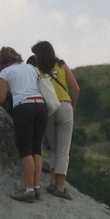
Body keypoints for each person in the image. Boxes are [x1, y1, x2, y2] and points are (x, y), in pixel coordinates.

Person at [0, 47, 48, 203]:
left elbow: (2, 97)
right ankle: (36, 187)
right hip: (41, 107)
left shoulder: (6, 72)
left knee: (25, 150)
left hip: (24, 107)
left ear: (1, 61)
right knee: (37, 149)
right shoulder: (31, 68)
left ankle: (28, 190)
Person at [31, 40, 80, 200]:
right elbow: (76, 88)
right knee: (63, 149)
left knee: (53, 147)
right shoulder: (62, 65)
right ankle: (60, 186)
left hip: (49, 109)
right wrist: (73, 104)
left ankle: (52, 182)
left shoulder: (37, 70)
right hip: (65, 106)